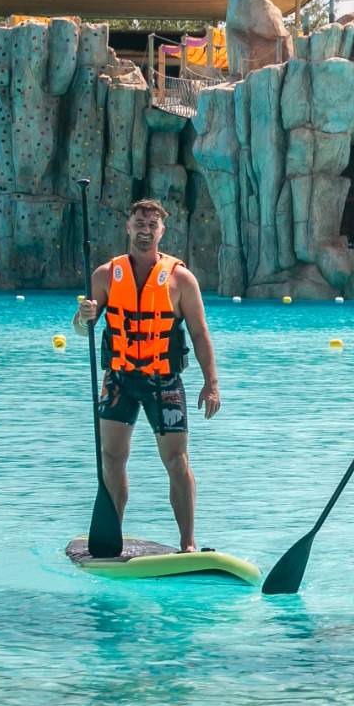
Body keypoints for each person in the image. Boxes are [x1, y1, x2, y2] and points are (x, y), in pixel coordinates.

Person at [74, 199, 219, 552]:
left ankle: (187, 542)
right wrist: (84, 316)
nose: (145, 230)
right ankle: (112, 536)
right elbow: (82, 330)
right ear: (128, 227)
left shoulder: (180, 279)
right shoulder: (105, 275)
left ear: (162, 231)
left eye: (152, 225)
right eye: (139, 223)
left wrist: (211, 383)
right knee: (112, 457)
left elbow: (200, 333)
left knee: (176, 461)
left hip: (163, 381)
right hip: (120, 379)